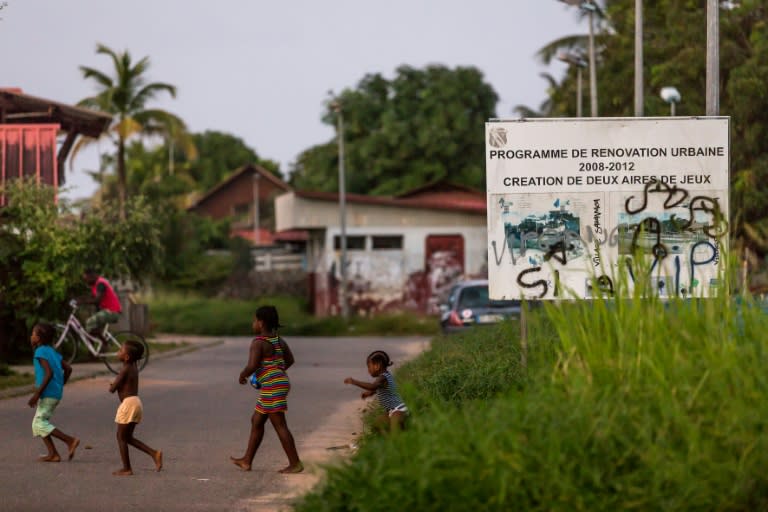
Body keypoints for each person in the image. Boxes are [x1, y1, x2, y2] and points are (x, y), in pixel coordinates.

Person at [230, 305, 303, 474]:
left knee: (280, 424)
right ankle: (247, 460)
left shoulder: (258, 342)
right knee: (256, 420)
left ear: (261, 323)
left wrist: (243, 375)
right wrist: (277, 370)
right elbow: (290, 360)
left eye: (255, 320)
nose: (253, 323)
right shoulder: (278, 340)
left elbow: (253, 365)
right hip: (279, 382)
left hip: (271, 385)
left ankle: (295, 463)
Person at [27, 322, 80, 462]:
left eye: (33, 333)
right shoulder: (52, 351)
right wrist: (60, 384)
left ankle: (70, 441)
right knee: (41, 422)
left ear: (39, 338)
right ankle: (53, 454)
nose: (31, 336)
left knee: (38, 423)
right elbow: (68, 369)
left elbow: (48, 373)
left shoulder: (40, 352)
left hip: (47, 393)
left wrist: (37, 393)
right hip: (54, 392)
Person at [109, 339, 163, 476]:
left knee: (121, 437)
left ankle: (127, 468)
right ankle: (154, 453)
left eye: (120, 350)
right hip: (136, 402)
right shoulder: (133, 368)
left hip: (128, 404)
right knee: (127, 437)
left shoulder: (124, 370)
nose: (118, 352)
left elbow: (113, 389)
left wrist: (112, 384)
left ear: (126, 357)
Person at [344, 350, 408, 432]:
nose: (368, 370)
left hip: (399, 409)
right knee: (377, 425)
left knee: (395, 429)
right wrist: (370, 393)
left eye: (369, 367)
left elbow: (373, 386)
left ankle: (398, 440)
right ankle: (389, 441)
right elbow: (379, 388)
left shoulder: (383, 377)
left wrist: (354, 381)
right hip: (390, 410)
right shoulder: (384, 377)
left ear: (377, 366)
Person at [81, 268, 122, 350]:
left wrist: (82, 302)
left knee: (89, 323)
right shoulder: (96, 285)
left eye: (86, 279)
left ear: (91, 276)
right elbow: (91, 298)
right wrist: (79, 299)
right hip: (107, 311)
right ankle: (94, 354)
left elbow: (97, 300)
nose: (86, 282)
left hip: (112, 312)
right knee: (91, 330)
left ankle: (104, 342)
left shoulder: (101, 284)